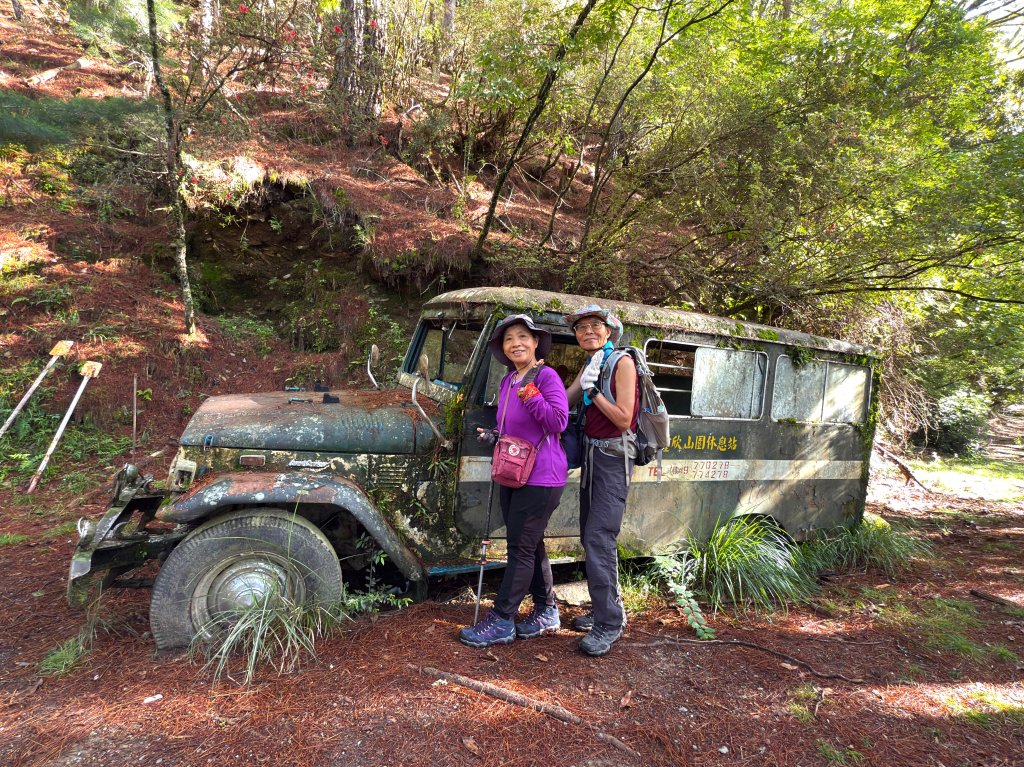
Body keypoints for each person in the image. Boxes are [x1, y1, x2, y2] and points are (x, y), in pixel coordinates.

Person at [459, 314, 570, 648]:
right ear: (503, 349)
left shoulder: (546, 376)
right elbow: (513, 425)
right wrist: (494, 435)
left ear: (536, 342)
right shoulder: (508, 380)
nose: (516, 343)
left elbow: (558, 422)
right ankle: (547, 609)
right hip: (513, 472)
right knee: (529, 544)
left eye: (523, 337)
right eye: (509, 339)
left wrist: (531, 393)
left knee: (519, 548)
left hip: (543, 477)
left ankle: (502, 619)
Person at [564, 304, 638, 657]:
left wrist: (594, 395)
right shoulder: (593, 363)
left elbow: (623, 419)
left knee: (599, 536)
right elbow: (565, 402)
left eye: (595, 326)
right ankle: (602, 609)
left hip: (612, 457)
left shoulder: (621, 363)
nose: (587, 331)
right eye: (581, 328)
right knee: (588, 534)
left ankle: (610, 622)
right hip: (594, 456)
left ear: (609, 331)